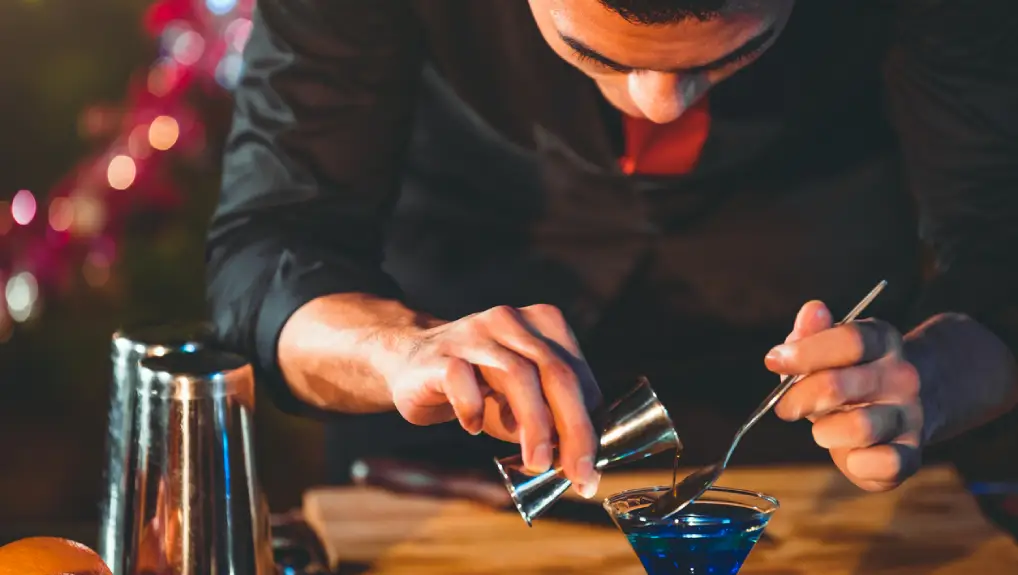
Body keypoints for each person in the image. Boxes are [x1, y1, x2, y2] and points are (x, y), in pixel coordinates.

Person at [205, 0, 1018, 499]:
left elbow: (1002, 245)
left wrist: (934, 381)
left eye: (732, 53)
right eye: (594, 51)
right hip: (446, 459)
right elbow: (270, 249)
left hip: (807, 466)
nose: (658, 105)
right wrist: (400, 350)